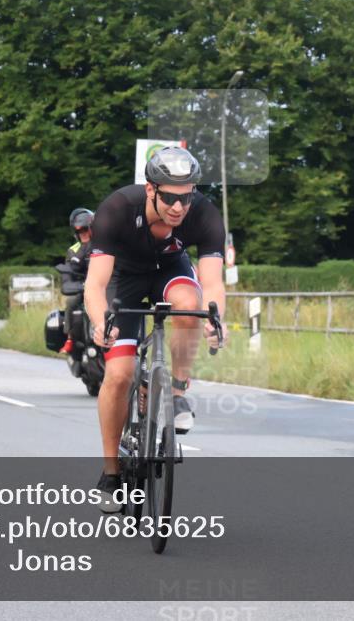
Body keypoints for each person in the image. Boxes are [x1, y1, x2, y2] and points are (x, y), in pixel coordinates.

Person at [85, 146, 227, 511]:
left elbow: (212, 284)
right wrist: (102, 322)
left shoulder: (205, 214)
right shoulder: (117, 209)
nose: (179, 208)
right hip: (124, 278)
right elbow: (95, 285)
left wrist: (216, 320)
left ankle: (176, 390)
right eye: (169, 198)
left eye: (186, 198)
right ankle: (111, 473)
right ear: (150, 189)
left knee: (190, 306)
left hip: (169, 271)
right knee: (119, 374)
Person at [59, 208, 94, 354]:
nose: (83, 234)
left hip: (105, 285)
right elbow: (69, 272)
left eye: (86, 230)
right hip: (83, 286)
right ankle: (70, 338)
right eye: (80, 231)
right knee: (71, 301)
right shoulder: (73, 250)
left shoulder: (105, 244)